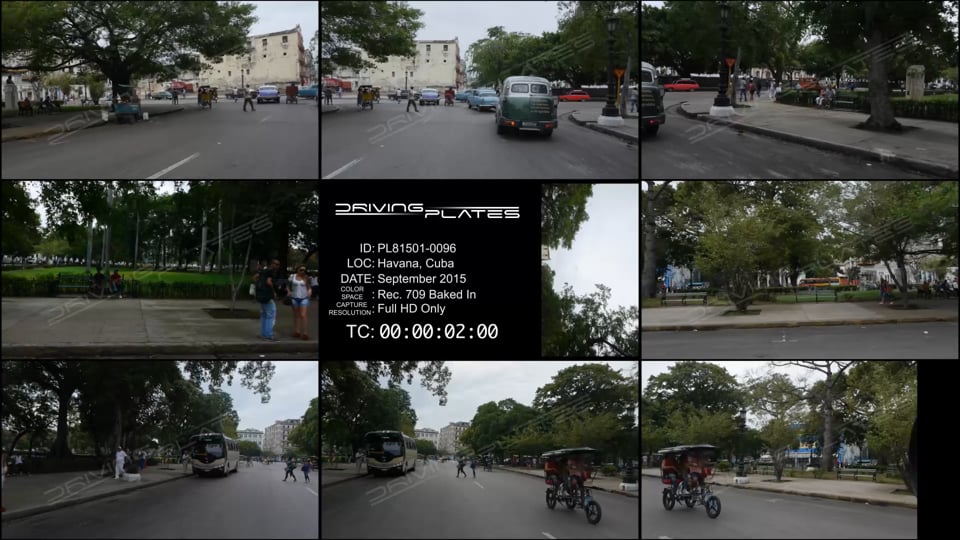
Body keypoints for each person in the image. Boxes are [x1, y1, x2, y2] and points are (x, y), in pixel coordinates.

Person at [253, 259, 279, 340]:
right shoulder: (271, 272)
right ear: (272, 264)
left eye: (277, 264)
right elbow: (269, 282)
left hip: (261, 295)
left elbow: (254, 277)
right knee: (270, 315)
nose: (277, 266)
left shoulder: (263, 271)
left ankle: (263, 333)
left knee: (264, 315)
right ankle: (268, 334)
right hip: (267, 295)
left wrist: (259, 285)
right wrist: (274, 292)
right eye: (276, 264)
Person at [285, 265, 311, 340]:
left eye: (304, 270)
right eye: (301, 270)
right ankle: (297, 331)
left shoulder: (306, 277)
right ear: (297, 270)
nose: (303, 271)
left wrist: (309, 292)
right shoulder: (292, 276)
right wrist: (288, 291)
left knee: (303, 315)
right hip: (294, 298)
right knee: (296, 315)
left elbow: (309, 287)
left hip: (304, 298)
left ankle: (305, 333)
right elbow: (287, 285)